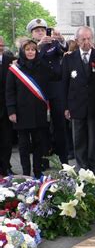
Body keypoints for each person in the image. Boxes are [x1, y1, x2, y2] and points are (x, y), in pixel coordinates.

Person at [5, 40, 58, 178]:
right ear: (23, 51)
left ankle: (37, 171)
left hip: (38, 112)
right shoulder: (14, 69)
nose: (30, 52)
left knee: (38, 145)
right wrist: (11, 111)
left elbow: (54, 75)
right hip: (21, 114)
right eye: (27, 49)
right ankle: (26, 173)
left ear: (36, 51)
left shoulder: (42, 66)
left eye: (33, 50)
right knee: (23, 146)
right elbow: (9, 91)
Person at [62, 26, 95, 177]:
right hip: (77, 106)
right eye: (83, 39)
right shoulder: (69, 58)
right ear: (77, 40)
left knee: (94, 140)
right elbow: (65, 84)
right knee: (79, 140)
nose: (87, 42)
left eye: (89, 39)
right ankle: (81, 169)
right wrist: (66, 107)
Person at [27, 18, 69, 164]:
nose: (40, 32)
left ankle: (64, 162)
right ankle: (43, 161)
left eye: (43, 30)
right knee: (41, 128)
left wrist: (61, 39)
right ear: (32, 34)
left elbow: (64, 49)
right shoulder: (31, 47)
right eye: (37, 31)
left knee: (59, 126)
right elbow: (28, 62)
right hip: (40, 89)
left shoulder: (55, 43)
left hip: (56, 88)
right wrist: (37, 47)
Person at [0, 36, 14, 177]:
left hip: (5, 108)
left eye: (2, 45)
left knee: (6, 140)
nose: (1, 47)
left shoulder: (9, 60)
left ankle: (6, 167)